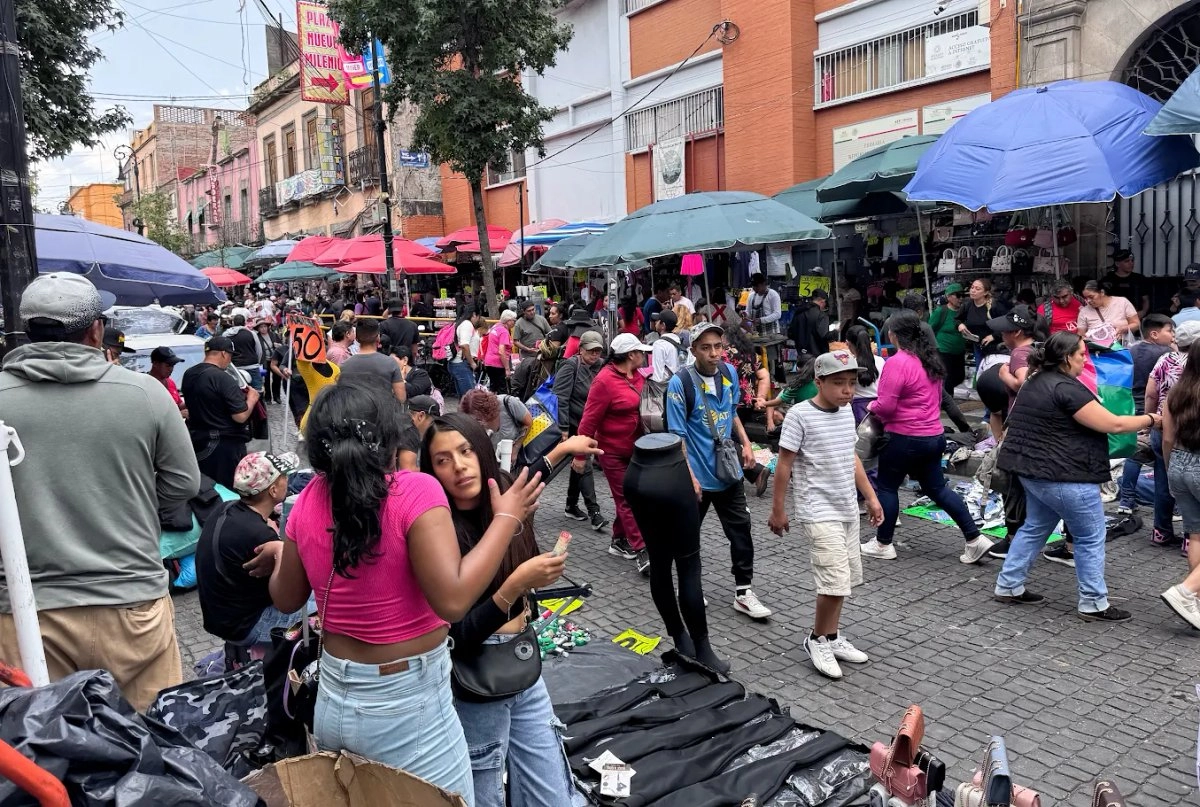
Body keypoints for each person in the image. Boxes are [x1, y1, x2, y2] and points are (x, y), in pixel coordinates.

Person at [269, 375, 545, 800]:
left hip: (334, 698)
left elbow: (285, 598)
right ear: (384, 437)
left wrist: (283, 554)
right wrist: (507, 519)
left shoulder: (307, 500)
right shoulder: (414, 491)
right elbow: (452, 601)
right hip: (408, 703)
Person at [0, 273, 199, 711]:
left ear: (27, 330)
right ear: (95, 331)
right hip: (130, 604)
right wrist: (129, 499)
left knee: (46, 749)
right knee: (150, 744)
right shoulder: (145, 393)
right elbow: (183, 482)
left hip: (27, 611)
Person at [417, 415, 577, 807]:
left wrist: (567, 448)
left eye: (466, 450)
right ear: (430, 471)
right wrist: (516, 585)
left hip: (523, 662)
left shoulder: (504, 496)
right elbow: (457, 635)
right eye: (442, 460)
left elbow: (535, 474)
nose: (458, 466)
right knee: (483, 796)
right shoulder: (436, 530)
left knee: (551, 795)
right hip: (475, 682)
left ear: (483, 451)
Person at [993, 332, 1158, 622]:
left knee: (1034, 527)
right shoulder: (1066, 388)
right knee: (1091, 535)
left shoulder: (1035, 380)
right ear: (1067, 357)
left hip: (1032, 470)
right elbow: (1114, 424)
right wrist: (1152, 419)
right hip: (1064, 475)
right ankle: (1094, 602)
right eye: (1082, 354)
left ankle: (1008, 585)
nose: (1086, 359)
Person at [769, 351, 883, 680]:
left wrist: (871, 498)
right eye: (839, 383)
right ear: (818, 382)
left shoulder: (846, 412)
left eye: (851, 383)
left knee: (843, 580)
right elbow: (785, 464)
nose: (847, 390)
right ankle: (817, 639)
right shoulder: (800, 415)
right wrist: (778, 508)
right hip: (817, 509)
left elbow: (852, 458)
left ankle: (831, 636)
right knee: (832, 581)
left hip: (846, 506)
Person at [861, 311, 992, 563]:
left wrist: (871, 407)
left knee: (887, 487)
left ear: (893, 335)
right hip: (933, 436)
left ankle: (883, 543)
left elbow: (886, 406)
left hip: (903, 437)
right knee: (938, 489)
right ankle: (974, 539)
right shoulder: (931, 359)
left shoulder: (897, 362)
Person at [666, 322, 773, 620]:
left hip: (728, 474)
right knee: (689, 536)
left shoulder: (728, 373)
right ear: (693, 350)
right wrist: (689, 476)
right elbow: (678, 436)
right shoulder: (681, 384)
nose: (713, 353)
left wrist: (747, 444)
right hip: (696, 477)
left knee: (741, 532)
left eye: (717, 346)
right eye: (705, 347)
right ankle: (690, 587)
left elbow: (732, 412)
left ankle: (744, 591)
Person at [196, 451, 307, 653]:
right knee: (321, 602)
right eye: (284, 476)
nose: (287, 479)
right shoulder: (260, 537)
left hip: (220, 617)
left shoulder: (226, 508)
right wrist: (281, 547)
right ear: (273, 491)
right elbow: (288, 598)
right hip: (246, 627)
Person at [579, 333, 650, 570]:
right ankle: (642, 550)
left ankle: (619, 540)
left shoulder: (638, 376)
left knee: (637, 496)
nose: (644, 355)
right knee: (627, 499)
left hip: (638, 450)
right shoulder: (604, 381)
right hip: (611, 452)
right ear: (631, 355)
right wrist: (580, 456)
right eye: (641, 352)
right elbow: (588, 421)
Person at [1145, 320, 1200, 547]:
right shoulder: (1196, 364)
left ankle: (1161, 530)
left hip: (1163, 427)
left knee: (1163, 480)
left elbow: (1150, 393)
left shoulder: (1164, 359)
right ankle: (1189, 540)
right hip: (1192, 434)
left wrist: (1149, 420)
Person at [1116, 314, 1176, 516]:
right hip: (1151, 407)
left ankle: (1126, 499)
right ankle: (1172, 506)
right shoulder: (1165, 354)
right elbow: (1154, 390)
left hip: (1132, 403)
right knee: (1158, 455)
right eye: (1169, 331)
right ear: (1154, 333)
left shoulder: (1132, 350)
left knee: (1136, 453)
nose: (1172, 335)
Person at [183, 336, 260, 488]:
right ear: (224, 354)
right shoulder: (223, 378)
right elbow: (240, 416)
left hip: (197, 440)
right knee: (227, 492)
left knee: (205, 491)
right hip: (223, 446)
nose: (229, 360)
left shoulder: (189, 374)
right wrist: (252, 399)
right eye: (230, 356)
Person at [1160, 339, 1200, 629]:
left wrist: (1168, 466)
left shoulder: (1176, 391)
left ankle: (1194, 599)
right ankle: (1185, 592)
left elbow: (1167, 438)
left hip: (1179, 464)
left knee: (1197, 535)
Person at [554, 330, 609, 532]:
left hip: (591, 425)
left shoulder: (601, 367)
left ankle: (570, 505)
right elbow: (560, 397)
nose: (594, 355)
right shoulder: (570, 366)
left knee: (579, 465)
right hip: (576, 425)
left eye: (597, 351)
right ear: (580, 350)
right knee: (583, 463)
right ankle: (594, 512)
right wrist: (564, 428)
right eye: (590, 351)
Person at [339, 318, 406, 402]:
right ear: (378, 337)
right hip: (384, 412)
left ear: (356, 338)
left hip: (355, 413)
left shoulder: (345, 365)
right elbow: (401, 398)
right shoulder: (390, 363)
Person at [956, 278, 1009, 375]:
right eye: (972, 287)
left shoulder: (994, 306)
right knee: (980, 373)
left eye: (977, 289)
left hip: (996, 348)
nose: (973, 290)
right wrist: (960, 325)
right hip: (978, 345)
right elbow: (957, 319)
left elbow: (1007, 324)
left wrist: (993, 336)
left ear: (985, 293)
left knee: (993, 374)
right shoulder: (968, 305)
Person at [460, 388, 533, 455]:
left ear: (486, 409)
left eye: (478, 419)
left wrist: (516, 448)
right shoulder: (474, 424)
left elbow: (529, 423)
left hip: (520, 454)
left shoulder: (508, 403)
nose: (475, 423)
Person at [840, 324, 885, 424]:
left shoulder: (849, 364)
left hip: (858, 409)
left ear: (848, 344)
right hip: (879, 407)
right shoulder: (881, 361)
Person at [929, 283, 966, 397]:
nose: (961, 298)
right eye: (957, 295)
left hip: (959, 351)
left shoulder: (963, 311)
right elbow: (929, 328)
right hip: (944, 350)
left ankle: (943, 396)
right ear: (949, 297)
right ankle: (946, 403)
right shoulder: (941, 311)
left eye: (962, 295)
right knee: (947, 378)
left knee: (960, 376)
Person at [1078, 279, 1139, 348]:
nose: (1088, 301)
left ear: (1102, 292)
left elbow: (1136, 324)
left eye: (1091, 297)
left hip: (1123, 347)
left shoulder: (1122, 302)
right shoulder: (1084, 311)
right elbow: (1081, 336)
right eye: (1086, 298)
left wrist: (1124, 328)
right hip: (1098, 351)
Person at [1103, 249, 1150, 320]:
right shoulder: (1108, 280)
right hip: (1114, 317)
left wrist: (1143, 312)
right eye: (1127, 261)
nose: (1131, 263)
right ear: (1117, 264)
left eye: (1132, 261)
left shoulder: (1139, 279)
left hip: (1136, 316)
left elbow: (1145, 299)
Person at [224, 314, 265, 391]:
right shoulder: (251, 333)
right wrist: (257, 362)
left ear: (233, 323)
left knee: (237, 391)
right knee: (257, 391)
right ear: (244, 323)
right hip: (252, 366)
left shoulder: (226, 335)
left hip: (235, 367)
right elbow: (259, 350)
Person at [450, 306, 484, 397]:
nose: (478, 320)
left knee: (464, 399)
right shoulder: (467, 324)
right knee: (470, 398)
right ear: (474, 314)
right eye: (478, 317)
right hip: (462, 364)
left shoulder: (461, 323)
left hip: (458, 363)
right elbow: (464, 345)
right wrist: (472, 363)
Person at [788, 289, 831, 360]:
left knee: (803, 370)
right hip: (817, 356)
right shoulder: (822, 315)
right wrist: (835, 331)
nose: (824, 307)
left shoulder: (799, 312)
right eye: (825, 305)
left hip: (800, 354)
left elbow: (791, 334)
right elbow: (824, 336)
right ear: (822, 301)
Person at [483, 310, 517, 393]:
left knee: (493, 387)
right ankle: (501, 405)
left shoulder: (495, 327)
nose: (514, 323)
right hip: (498, 364)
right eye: (513, 320)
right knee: (502, 389)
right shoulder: (504, 332)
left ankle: (491, 404)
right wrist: (507, 368)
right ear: (508, 321)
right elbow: (501, 351)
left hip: (489, 362)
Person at [148, 346, 187, 418]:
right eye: (168, 365)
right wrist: (178, 415)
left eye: (173, 365)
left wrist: (193, 401)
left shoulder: (170, 382)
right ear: (155, 364)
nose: (171, 369)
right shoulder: (144, 385)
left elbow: (178, 405)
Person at [649, 310, 683, 381]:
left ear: (663, 325)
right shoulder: (678, 340)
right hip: (678, 383)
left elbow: (657, 374)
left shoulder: (659, 344)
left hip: (666, 385)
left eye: (658, 321)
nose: (655, 322)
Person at [256, 320, 281, 404]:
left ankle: (277, 396)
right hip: (261, 362)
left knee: (277, 378)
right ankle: (267, 398)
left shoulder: (274, 335)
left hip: (275, 360)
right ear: (258, 329)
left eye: (265, 326)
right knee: (264, 380)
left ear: (267, 327)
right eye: (261, 327)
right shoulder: (256, 337)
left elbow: (281, 345)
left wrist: (278, 346)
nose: (263, 329)